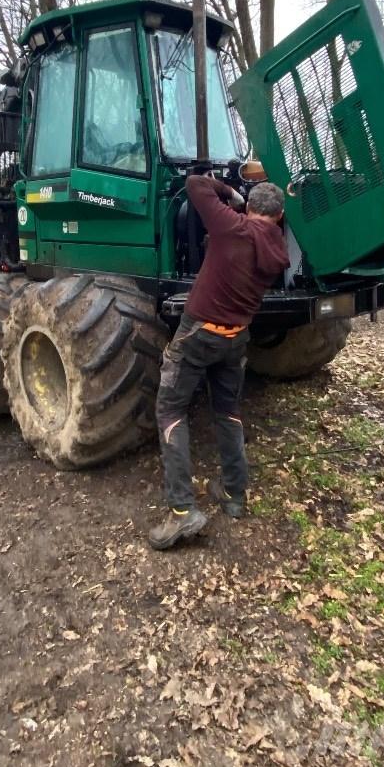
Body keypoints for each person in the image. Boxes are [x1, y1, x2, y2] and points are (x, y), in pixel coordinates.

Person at [149, 174, 290, 550]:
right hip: (236, 337)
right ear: (279, 216)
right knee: (227, 410)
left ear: (251, 207)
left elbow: (195, 184)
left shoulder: (232, 228)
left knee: (170, 410)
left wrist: (230, 193)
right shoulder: (277, 247)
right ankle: (233, 493)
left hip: (199, 334)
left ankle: (182, 510)